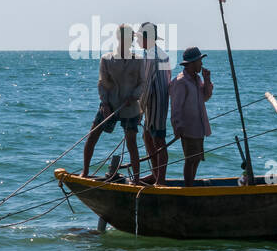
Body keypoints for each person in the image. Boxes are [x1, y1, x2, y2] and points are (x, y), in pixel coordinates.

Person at [82, 24, 144, 181]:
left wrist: (135, 96)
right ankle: (85, 171)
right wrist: (105, 104)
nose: (126, 41)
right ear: (118, 38)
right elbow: (102, 83)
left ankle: (136, 179)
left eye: (129, 38)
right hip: (110, 104)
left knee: (131, 143)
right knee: (92, 135)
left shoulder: (138, 60)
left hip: (130, 107)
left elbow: (143, 83)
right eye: (123, 37)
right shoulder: (106, 59)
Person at [168, 46, 213, 186]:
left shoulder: (197, 78)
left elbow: (205, 97)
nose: (201, 64)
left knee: (197, 158)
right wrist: (178, 126)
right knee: (190, 159)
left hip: (199, 127)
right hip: (187, 128)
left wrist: (207, 80)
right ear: (192, 63)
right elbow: (176, 107)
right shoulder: (181, 81)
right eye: (199, 61)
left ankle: (190, 185)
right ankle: (188, 188)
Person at [136, 22, 171, 185]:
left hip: (154, 103)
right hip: (161, 102)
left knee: (158, 141)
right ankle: (155, 174)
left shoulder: (151, 55)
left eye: (138, 38)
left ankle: (160, 179)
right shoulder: (162, 54)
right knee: (147, 136)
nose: (137, 41)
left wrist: (138, 110)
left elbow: (146, 85)